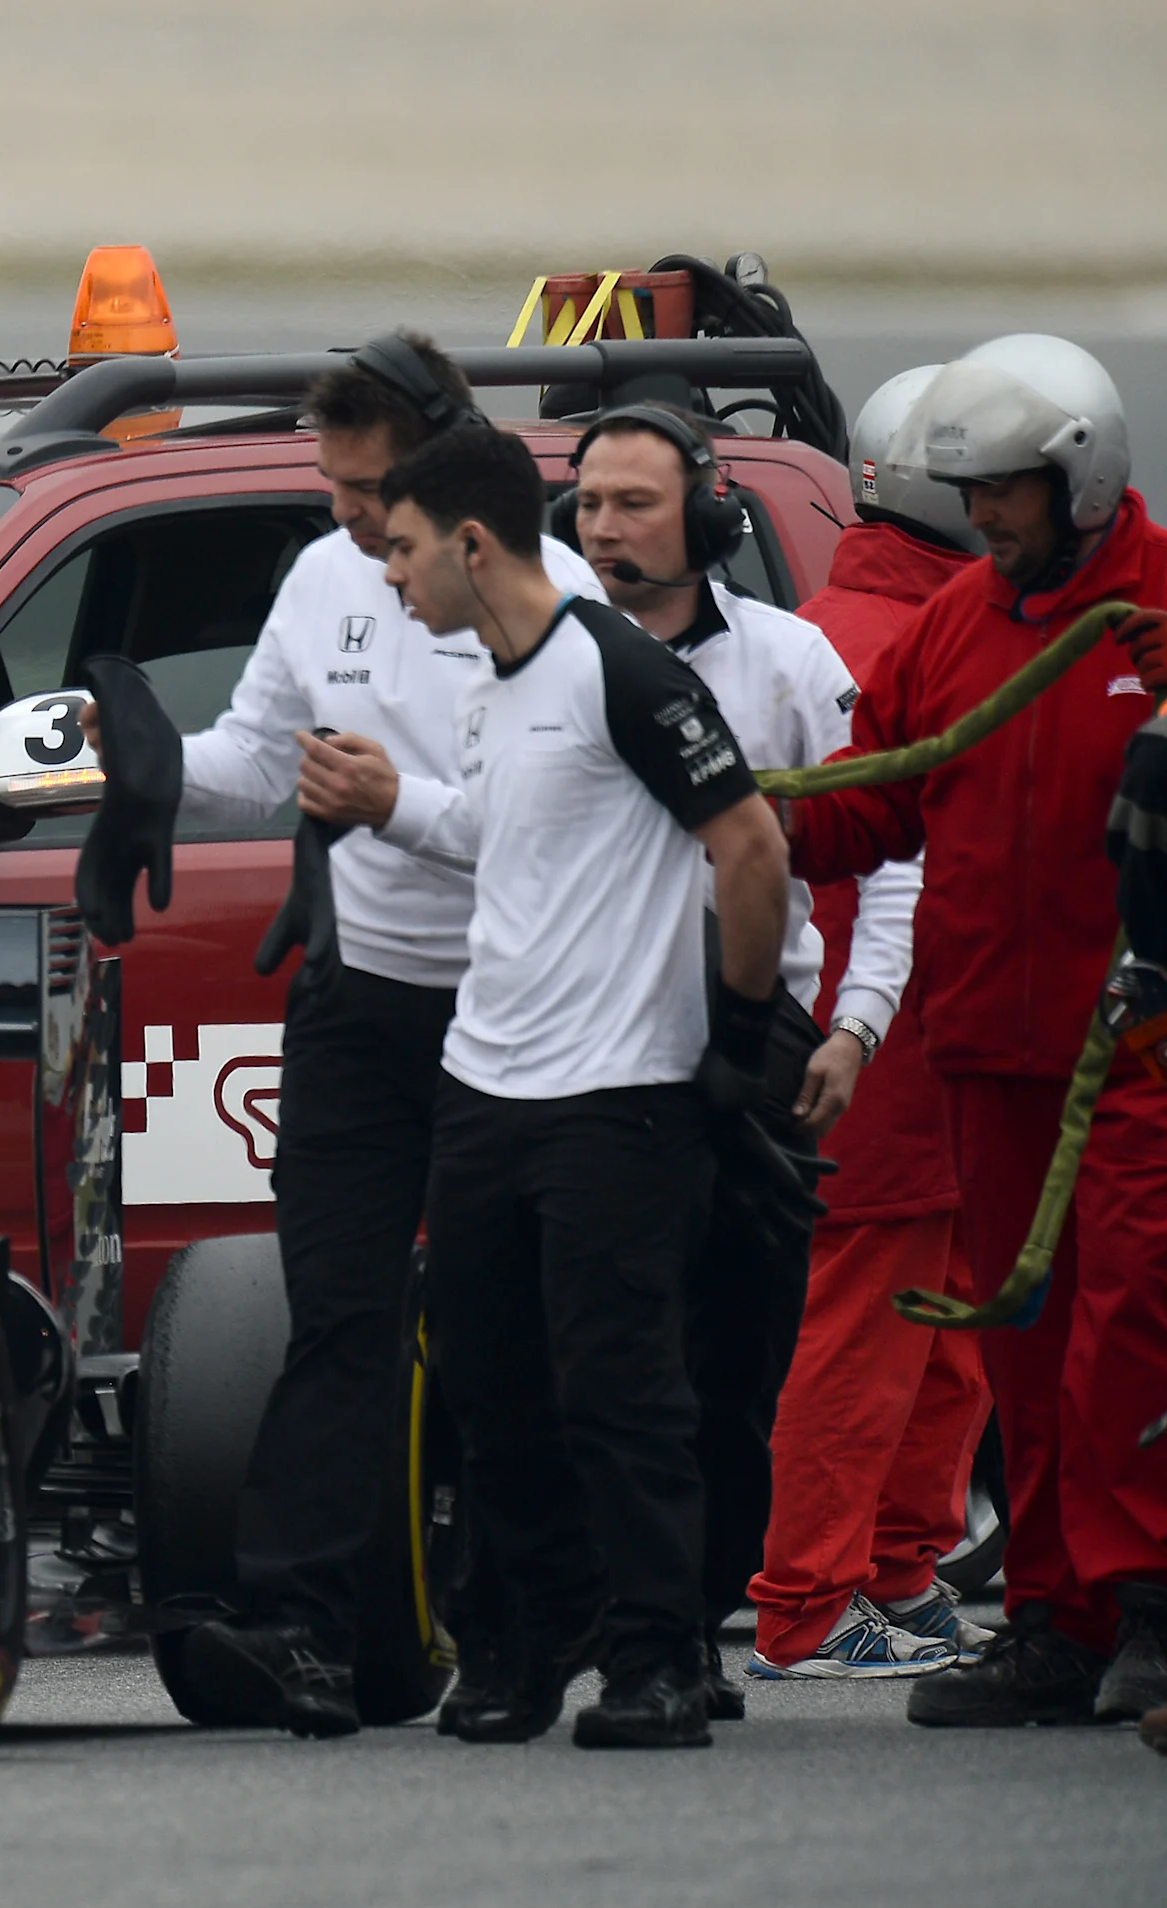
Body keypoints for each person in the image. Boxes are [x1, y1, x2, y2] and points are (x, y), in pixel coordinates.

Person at [101, 331, 596, 1739]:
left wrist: (394, 807)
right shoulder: (324, 577)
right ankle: (301, 1626)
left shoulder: (553, 607)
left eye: (370, 490)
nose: (349, 518)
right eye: (333, 489)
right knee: (340, 1322)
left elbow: (551, 837)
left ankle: (517, 1626)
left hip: (514, 1015)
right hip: (355, 1002)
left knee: (508, 1343)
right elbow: (259, 758)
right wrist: (142, 770)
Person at [303, 421, 788, 1749]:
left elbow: (749, 848)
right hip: (485, 1088)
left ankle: (659, 1658)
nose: (387, 577)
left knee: (622, 1391)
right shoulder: (487, 684)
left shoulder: (616, 670)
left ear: (469, 544)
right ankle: (527, 1637)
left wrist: (736, 1047)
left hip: (618, 1098)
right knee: (488, 1388)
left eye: (400, 549)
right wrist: (392, 800)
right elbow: (502, 835)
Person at [789, 334, 1167, 1728]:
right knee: (1026, 1343)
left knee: (1128, 1327)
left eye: (1003, 491)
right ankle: (1061, 1621)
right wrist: (733, 798)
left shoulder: (1161, 606)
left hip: (1131, 1055)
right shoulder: (959, 625)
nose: (983, 518)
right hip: (990, 1060)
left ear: (1078, 477)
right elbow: (867, 802)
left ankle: (1148, 1607)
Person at [562, 399, 916, 1709]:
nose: (605, 531)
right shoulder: (530, 661)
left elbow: (896, 849)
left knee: (741, 1353)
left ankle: (686, 1624)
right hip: (587, 1037)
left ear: (708, 517)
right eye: (589, 506)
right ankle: (618, 1624)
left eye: (636, 503)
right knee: (600, 1344)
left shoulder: (790, 663)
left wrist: (860, 1022)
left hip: (759, 1036)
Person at [750, 368, 996, 1681]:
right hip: (886, 1047)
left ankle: (899, 1570)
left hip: (922, 1042)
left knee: (938, 1333)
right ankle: (806, 1606)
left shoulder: (872, 628)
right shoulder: (909, 642)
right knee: (866, 1335)